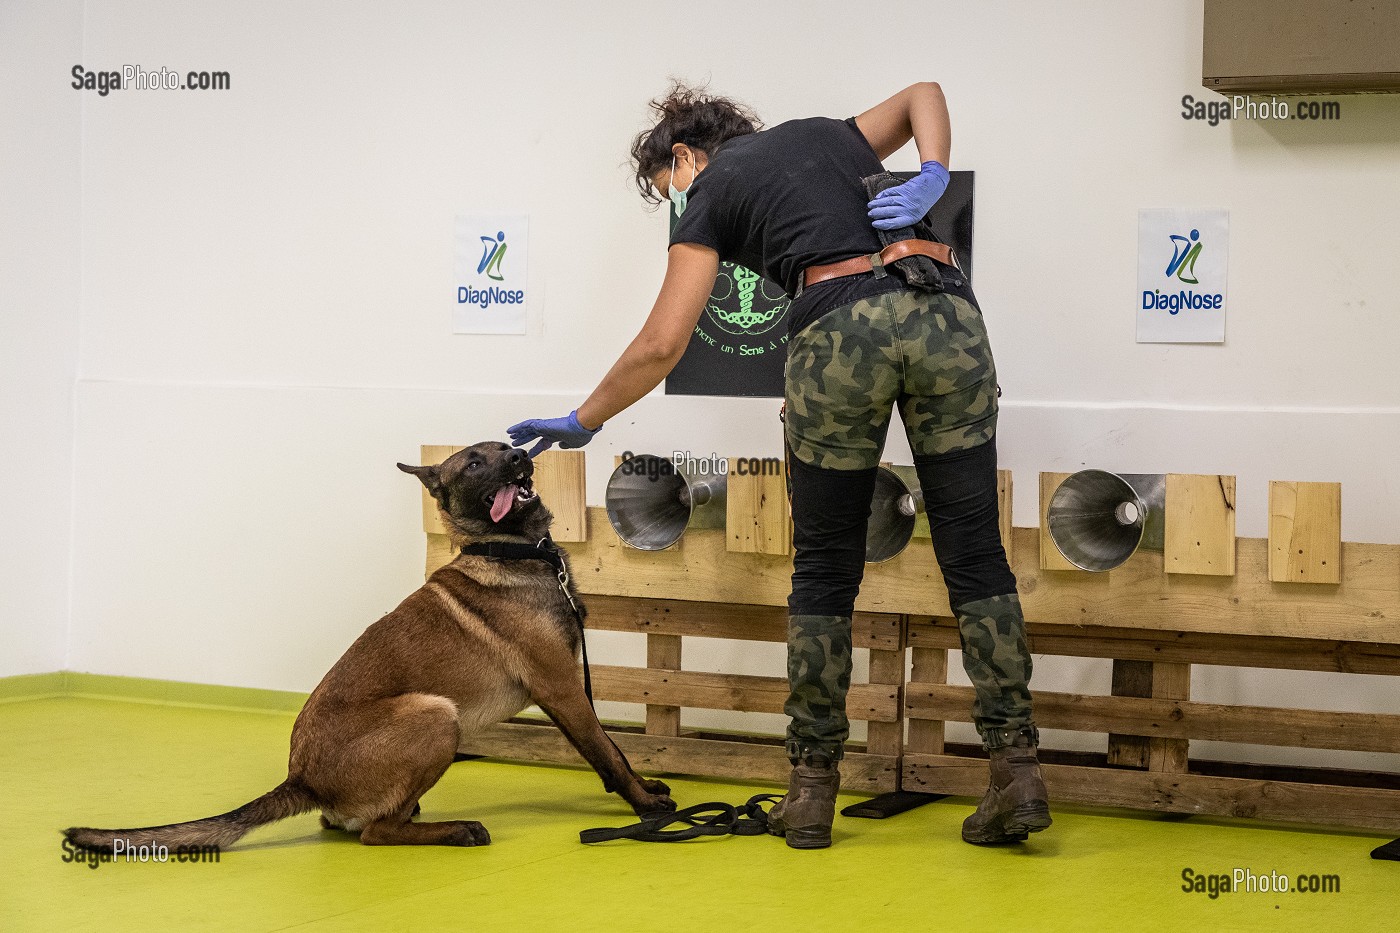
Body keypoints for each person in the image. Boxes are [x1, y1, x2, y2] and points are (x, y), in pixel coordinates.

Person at [507, 82, 1049, 850]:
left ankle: (810, 792)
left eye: (671, 187)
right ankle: (1017, 772)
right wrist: (932, 170)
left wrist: (585, 417)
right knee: (974, 549)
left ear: (686, 155)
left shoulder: (710, 189)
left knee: (826, 569)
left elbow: (664, 343)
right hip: (945, 310)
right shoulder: (831, 134)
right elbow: (924, 91)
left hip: (840, 330)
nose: (678, 201)